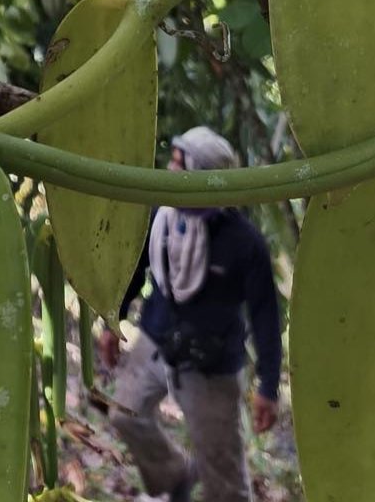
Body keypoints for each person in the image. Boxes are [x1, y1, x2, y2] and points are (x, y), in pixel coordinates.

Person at [97, 126, 282, 502]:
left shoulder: (243, 243)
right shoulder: (160, 218)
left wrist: (268, 385)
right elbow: (136, 270)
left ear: (204, 177)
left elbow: (265, 316)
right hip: (157, 338)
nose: (171, 171)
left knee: (223, 478)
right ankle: (174, 476)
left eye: (181, 166)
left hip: (210, 364)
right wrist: (111, 322)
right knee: (125, 414)